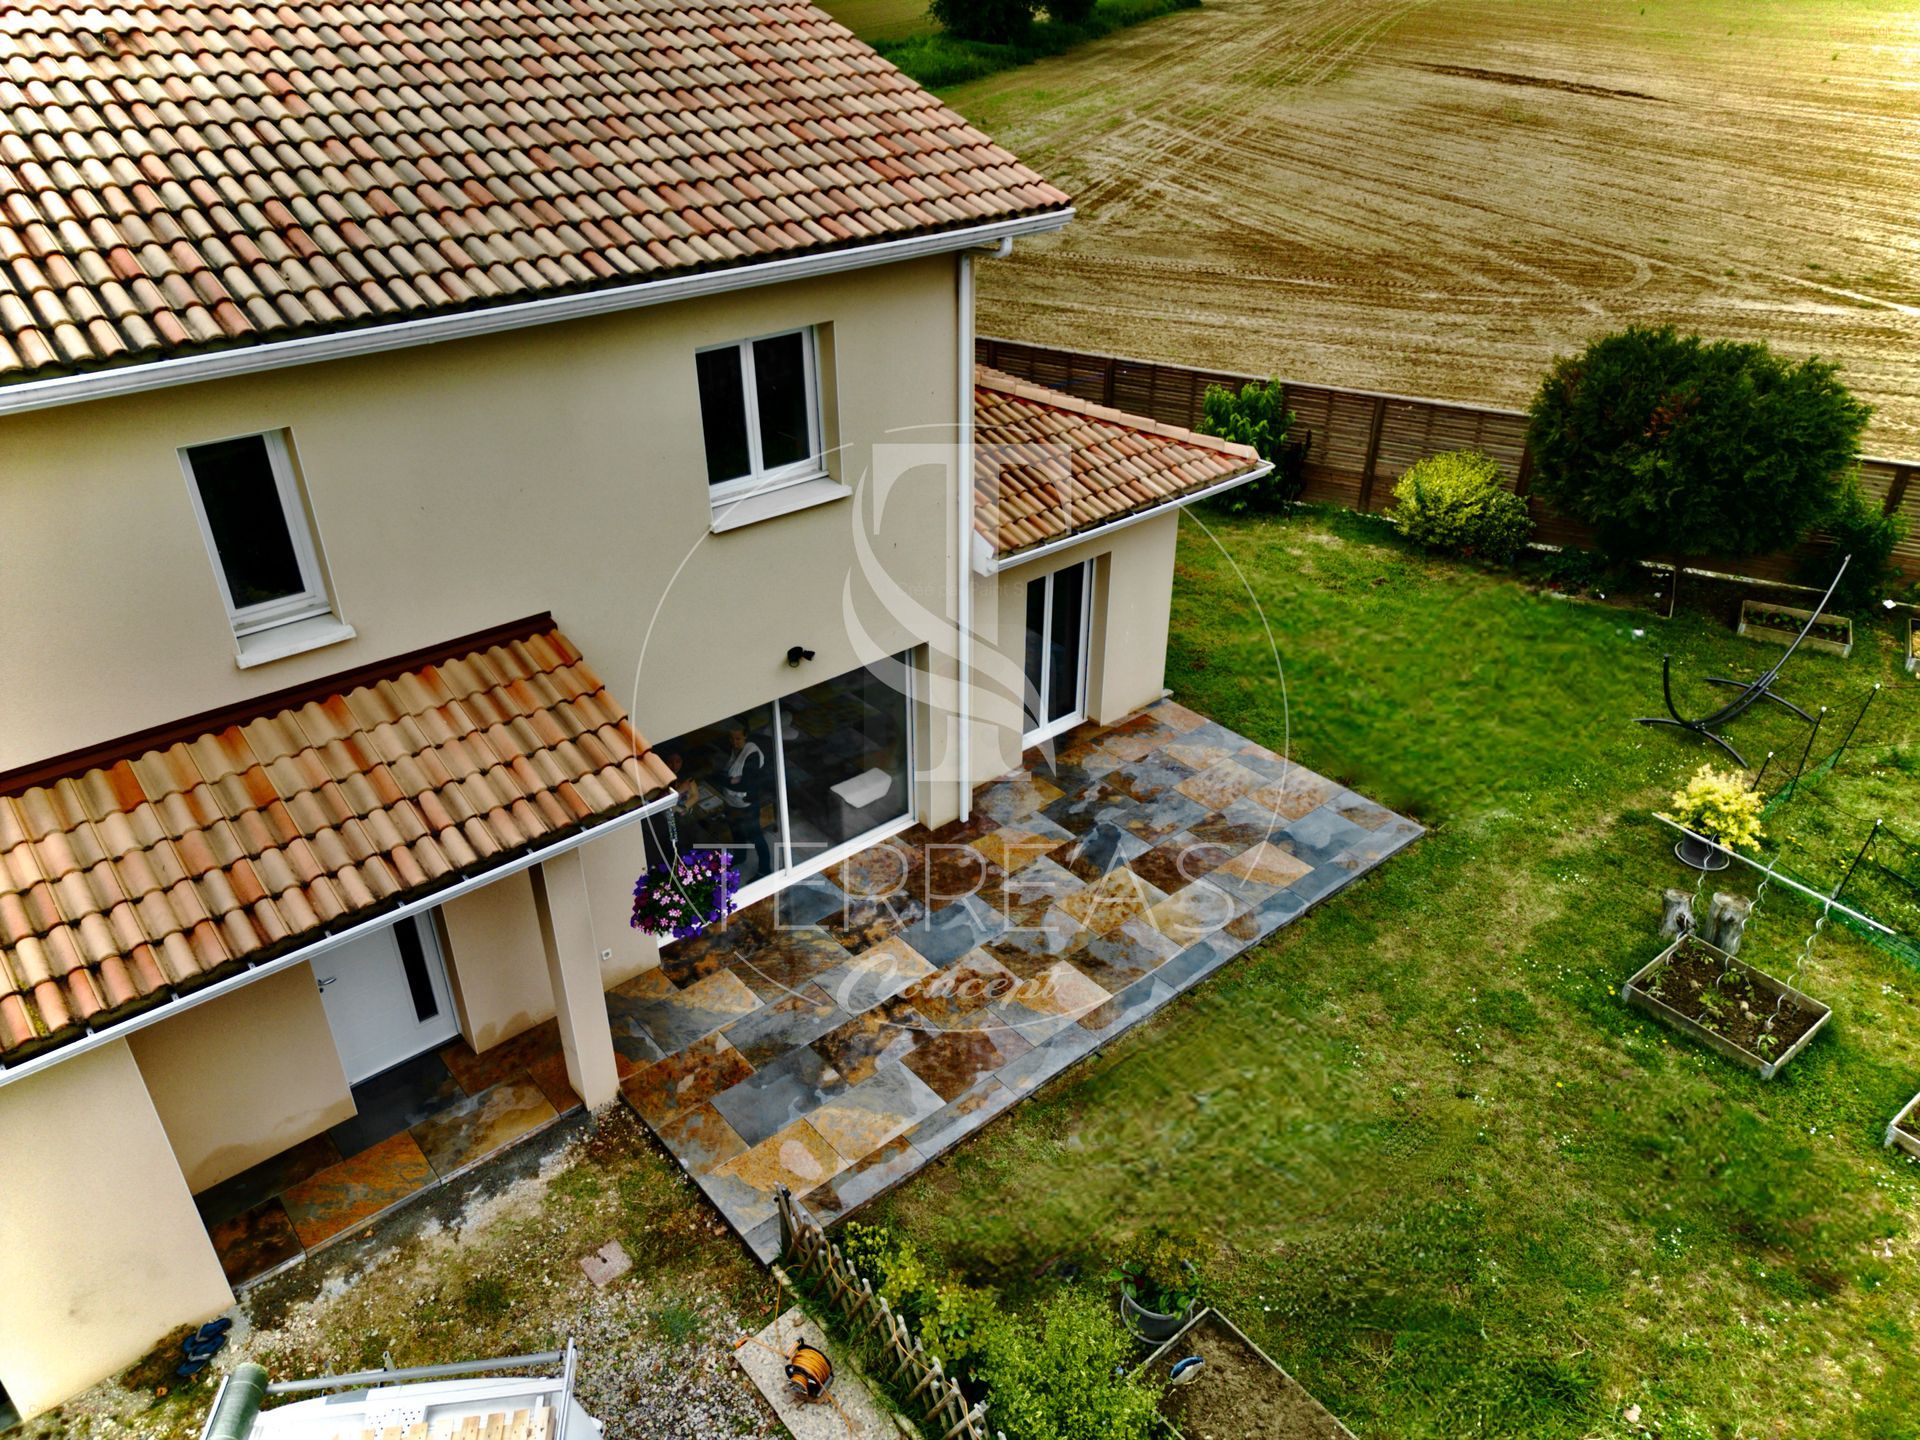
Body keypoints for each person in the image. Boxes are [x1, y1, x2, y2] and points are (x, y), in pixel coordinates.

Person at [720, 724, 773, 881]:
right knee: (736, 832)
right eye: (731, 738)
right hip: (730, 802)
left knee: (756, 836)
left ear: (746, 736)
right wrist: (731, 781)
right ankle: (740, 856)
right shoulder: (733, 750)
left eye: (738, 738)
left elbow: (745, 784)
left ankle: (765, 869)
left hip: (747, 805)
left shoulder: (752, 755)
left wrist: (725, 780)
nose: (734, 742)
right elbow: (727, 777)